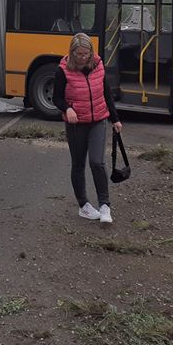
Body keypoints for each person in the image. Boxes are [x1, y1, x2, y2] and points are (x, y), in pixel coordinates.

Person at [53, 33, 122, 224]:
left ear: (92, 52)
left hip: (98, 120)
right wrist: (67, 109)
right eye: (79, 54)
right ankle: (83, 205)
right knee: (78, 164)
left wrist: (115, 119)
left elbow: (107, 93)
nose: (83, 57)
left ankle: (105, 205)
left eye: (86, 53)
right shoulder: (63, 71)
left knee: (97, 162)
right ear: (72, 52)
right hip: (76, 124)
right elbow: (57, 97)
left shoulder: (98, 65)